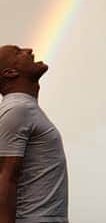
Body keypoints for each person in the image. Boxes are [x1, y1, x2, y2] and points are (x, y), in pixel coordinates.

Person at [0, 46, 68, 223]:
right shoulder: (17, 108)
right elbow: (6, 176)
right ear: (10, 72)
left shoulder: (26, 107)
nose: (28, 50)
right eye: (18, 52)